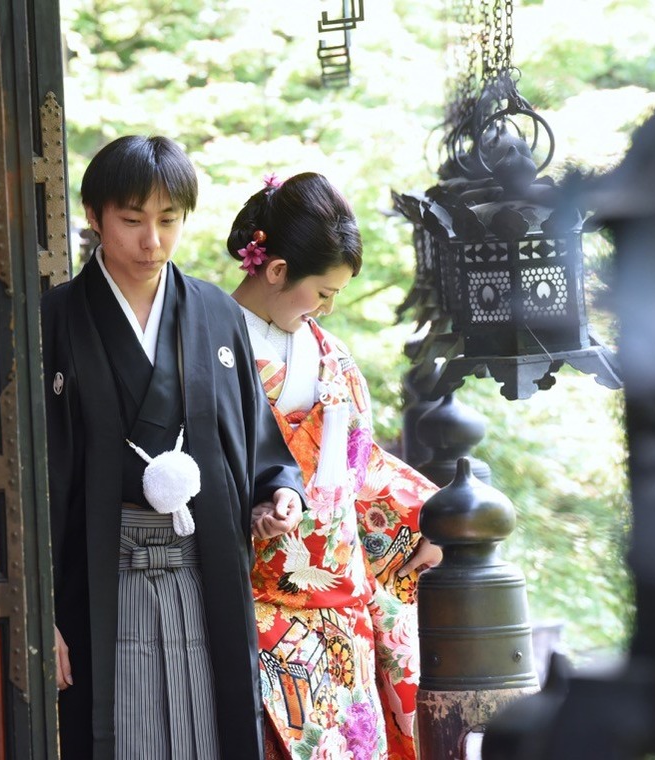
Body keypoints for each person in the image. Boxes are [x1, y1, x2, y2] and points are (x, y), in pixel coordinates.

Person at [40, 135, 309, 760]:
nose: (152, 241)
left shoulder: (216, 314)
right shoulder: (54, 319)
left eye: (168, 220)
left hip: (201, 569)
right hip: (100, 576)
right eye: (132, 221)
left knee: (209, 729)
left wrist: (278, 492)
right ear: (94, 216)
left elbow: (257, 437)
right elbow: (32, 475)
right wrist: (40, 612)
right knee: (118, 735)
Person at [225, 172, 444, 760]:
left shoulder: (331, 355)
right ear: (276, 270)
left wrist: (431, 516)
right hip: (251, 609)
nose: (327, 308)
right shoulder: (209, 346)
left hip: (342, 612)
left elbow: (358, 467)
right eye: (323, 292)